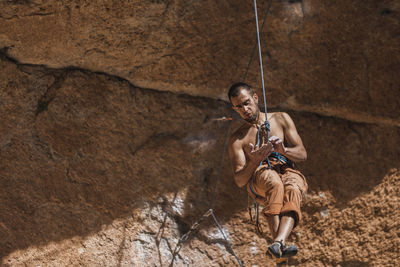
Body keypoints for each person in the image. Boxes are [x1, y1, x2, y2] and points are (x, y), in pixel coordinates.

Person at [227, 82, 308, 260]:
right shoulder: (237, 139)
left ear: (255, 98)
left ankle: (278, 243)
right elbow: (240, 180)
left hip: (286, 169)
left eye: (247, 102)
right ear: (234, 108)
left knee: (293, 187)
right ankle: (279, 247)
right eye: (239, 107)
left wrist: (283, 151)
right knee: (273, 181)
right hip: (260, 176)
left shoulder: (281, 119)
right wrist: (254, 161)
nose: (245, 109)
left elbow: (302, 154)